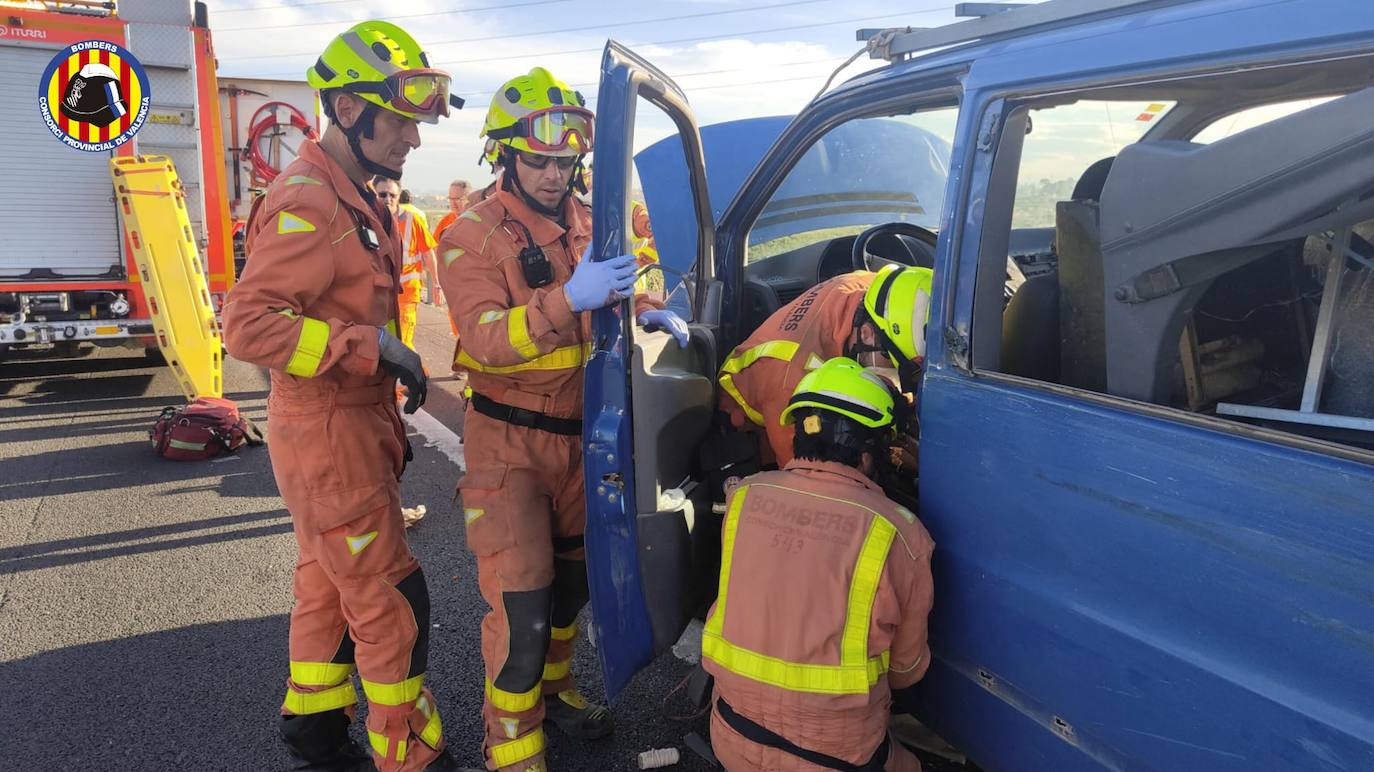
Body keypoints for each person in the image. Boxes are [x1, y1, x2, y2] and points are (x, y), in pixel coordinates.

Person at [221, 19, 464, 772]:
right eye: (402, 122)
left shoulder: (349, 191)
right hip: (329, 434)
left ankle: (316, 730)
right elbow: (249, 325)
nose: (415, 142)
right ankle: (412, 757)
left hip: (350, 428)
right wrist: (369, 348)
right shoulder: (311, 199)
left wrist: (378, 362)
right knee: (393, 600)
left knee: (329, 585)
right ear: (352, 109)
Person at [435, 66, 688, 772]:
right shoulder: (469, 235)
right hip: (508, 449)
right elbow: (485, 338)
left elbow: (620, 291)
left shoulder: (589, 220)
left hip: (585, 441)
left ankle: (558, 691)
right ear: (504, 154)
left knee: (575, 592)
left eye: (564, 160)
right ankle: (513, 750)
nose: (554, 174)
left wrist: (646, 309)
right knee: (523, 618)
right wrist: (565, 300)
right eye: (539, 159)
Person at [703, 356, 936, 772]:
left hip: (731, 735)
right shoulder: (901, 534)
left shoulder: (744, 499)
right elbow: (907, 671)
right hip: (836, 758)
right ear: (871, 452)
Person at [718, 264, 934, 466]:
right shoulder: (794, 382)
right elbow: (807, 475)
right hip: (749, 419)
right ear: (867, 334)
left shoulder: (880, 293)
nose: (896, 376)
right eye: (895, 365)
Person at [374, 179, 438, 349]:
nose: (387, 199)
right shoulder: (367, 219)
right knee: (380, 343)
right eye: (382, 194)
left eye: (392, 195)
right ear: (374, 194)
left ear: (398, 196)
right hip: (376, 294)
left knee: (403, 342)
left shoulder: (412, 220)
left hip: (406, 293)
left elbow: (428, 252)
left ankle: (410, 374)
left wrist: (437, 284)